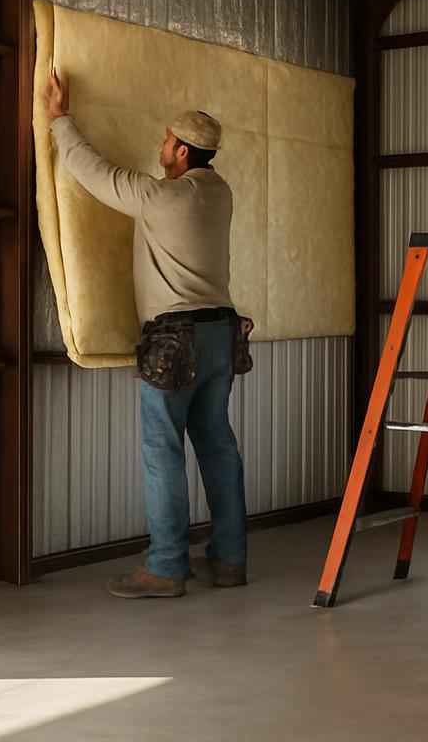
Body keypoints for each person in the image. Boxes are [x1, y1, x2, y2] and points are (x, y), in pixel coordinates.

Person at [41, 69, 248, 598]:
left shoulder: (161, 198)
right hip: (222, 335)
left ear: (180, 151)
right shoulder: (219, 194)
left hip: (174, 340)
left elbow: (93, 172)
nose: (160, 147)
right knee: (217, 444)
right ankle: (229, 560)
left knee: (163, 449)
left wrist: (60, 119)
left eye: (164, 141)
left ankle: (166, 567)